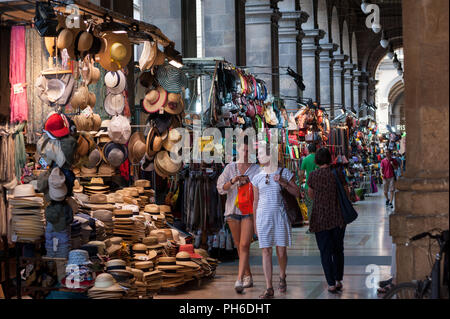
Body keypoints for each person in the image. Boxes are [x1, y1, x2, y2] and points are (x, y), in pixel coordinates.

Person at [251, 141, 300, 299]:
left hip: (280, 216)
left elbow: (297, 192)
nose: (259, 156)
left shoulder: (283, 172)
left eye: (261, 153)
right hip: (263, 217)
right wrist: (254, 224)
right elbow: (255, 201)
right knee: (265, 251)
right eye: (258, 154)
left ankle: (282, 275)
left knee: (281, 251)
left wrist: (283, 182)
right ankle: (269, 287)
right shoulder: (257, 177)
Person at [217, 138, 260, 294]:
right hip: (232, 211)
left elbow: (261, 188)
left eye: (249, 151)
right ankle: (248, 275)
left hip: (248, 211)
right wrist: (233, 181)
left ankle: (239, 279)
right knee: (238, 245)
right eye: (244, 150)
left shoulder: (256, 169)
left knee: (244, 245)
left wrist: (249, 184)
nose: (246, 153)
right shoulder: (230, 168)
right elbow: (221, 188)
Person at [307, 148, 348, 294]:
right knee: (338, 250)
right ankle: (338, 280)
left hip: (320, 219)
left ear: (317, 160)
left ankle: (330, 283)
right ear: (330, 159)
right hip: (337, 218)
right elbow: (346, 191)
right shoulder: (337, 173)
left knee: (325, 251)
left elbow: (310, 194)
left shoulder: (313, 176)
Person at [300, 144, 318, 231]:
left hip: (308, 186)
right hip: (319, 186)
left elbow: (301, 173)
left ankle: (312, 227)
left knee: (310, 206)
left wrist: (299, 183)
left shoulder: (305, 159)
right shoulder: (319, 158)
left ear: (308, 150)